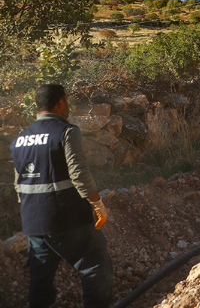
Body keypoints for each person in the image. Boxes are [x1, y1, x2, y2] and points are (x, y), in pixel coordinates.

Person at [10, 83, 114, 308]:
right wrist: (97, 204)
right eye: (67, 102)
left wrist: (30, 213)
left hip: (33, 222)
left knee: (40, 279)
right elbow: (79, 173)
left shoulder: (18, 140)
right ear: (61, 102)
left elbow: (20, 184)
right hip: (67, 217)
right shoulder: (67, 132)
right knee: (95, 265)